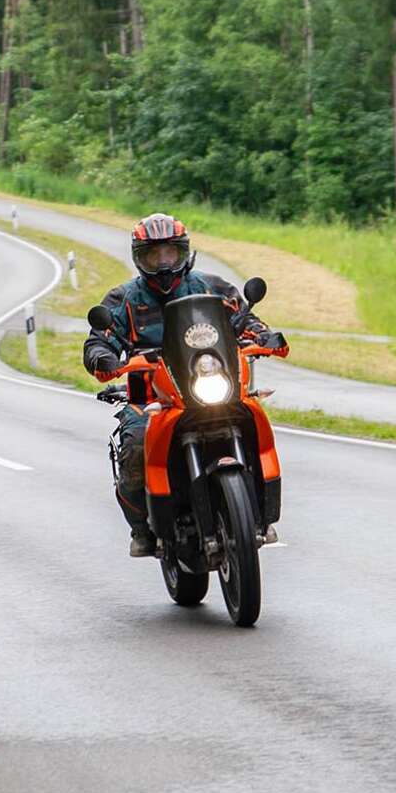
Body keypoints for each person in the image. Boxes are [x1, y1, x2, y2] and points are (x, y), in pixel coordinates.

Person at [82, 213, 285, 557]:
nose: (163, 263)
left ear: (183, 252)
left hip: (211, 384)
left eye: (169, 254)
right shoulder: (123, 300)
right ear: (139, 258)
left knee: (253, 417)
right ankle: (142, 528)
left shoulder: (211, 287)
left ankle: (261, 513)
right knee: (134, 446)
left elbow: (244, 318)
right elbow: (97, 341)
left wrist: (264, 336)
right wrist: (105, 359)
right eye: (153, 255)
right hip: (152, 396)